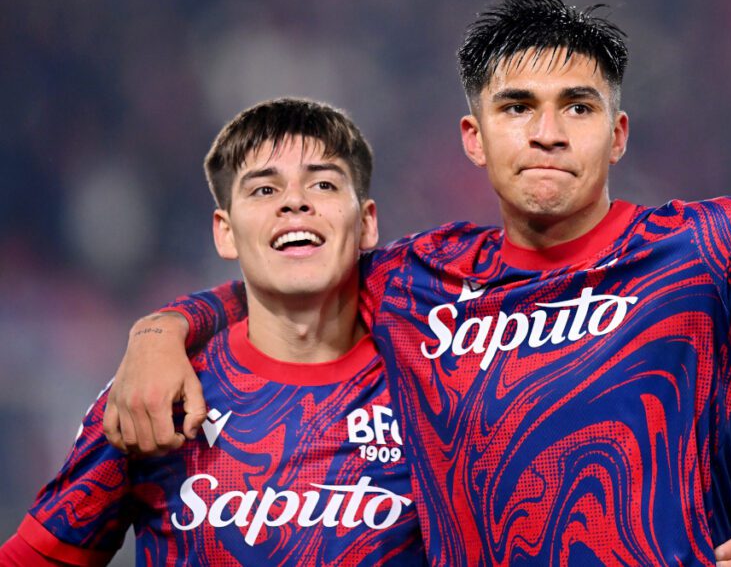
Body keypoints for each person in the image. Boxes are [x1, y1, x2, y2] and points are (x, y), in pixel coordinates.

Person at [107, 0, 731, 566]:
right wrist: (161, 331)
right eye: (518, 106)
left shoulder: (704, 249)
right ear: (474, 137)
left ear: (616, 133)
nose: (547, 130)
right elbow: (286, 270)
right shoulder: (414, 281)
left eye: (577, 106)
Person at [1, 99, 425, 565]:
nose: (294, 201)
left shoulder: (433, 389)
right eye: (264, 190)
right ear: (225, 232)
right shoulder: (157, 393)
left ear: (366, 224)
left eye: (323, 184)